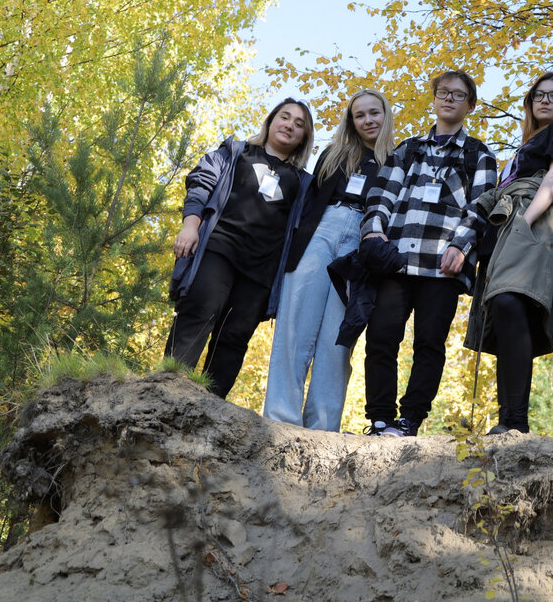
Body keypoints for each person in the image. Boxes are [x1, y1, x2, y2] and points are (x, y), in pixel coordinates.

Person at [360, 70, 497, 437]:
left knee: (429, 343)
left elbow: (482, 206)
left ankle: (410, 421)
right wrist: (373, 231)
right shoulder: (408, 149)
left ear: (471, 104)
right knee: (382, 336)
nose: (449, 99)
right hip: (397, 259)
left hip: (444, 266)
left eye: (458, 94)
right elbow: (382, 195)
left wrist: (460, 245)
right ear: (434, 99)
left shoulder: (478, 155)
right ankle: (379, 419)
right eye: (443, 92)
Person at [262, 90, 394, 431]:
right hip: (322, 230)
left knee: (338, 337)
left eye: (374, 113)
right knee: (296, 323)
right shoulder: (334, 154)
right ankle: (280, 417)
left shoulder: (397, 159)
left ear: (385, 115)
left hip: (363, 241)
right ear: (351, 122)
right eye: (359, 115)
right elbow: (308, 203)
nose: (368, 120)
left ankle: (322, 426)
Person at [165, 98, 315, 399]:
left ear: (304, 138)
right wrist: (190, 225)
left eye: (299, 124)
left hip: (261, 270)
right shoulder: (236, 152)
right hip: (219, 249)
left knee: (234, 336)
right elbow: (200, 183)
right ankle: (168, 390)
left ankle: (211, 405)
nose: (290, 125)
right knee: (200, 312)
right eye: (285, 117)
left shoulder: (304, 183)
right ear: (271, 121)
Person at [465, 73, 553, 435]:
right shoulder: (527, 144)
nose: (544, 101)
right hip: (508, 219)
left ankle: (515, 420)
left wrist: (526, 221)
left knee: (512, 302)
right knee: (504, 308)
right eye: (537, 95)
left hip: (532, 215)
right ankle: (509, 419)